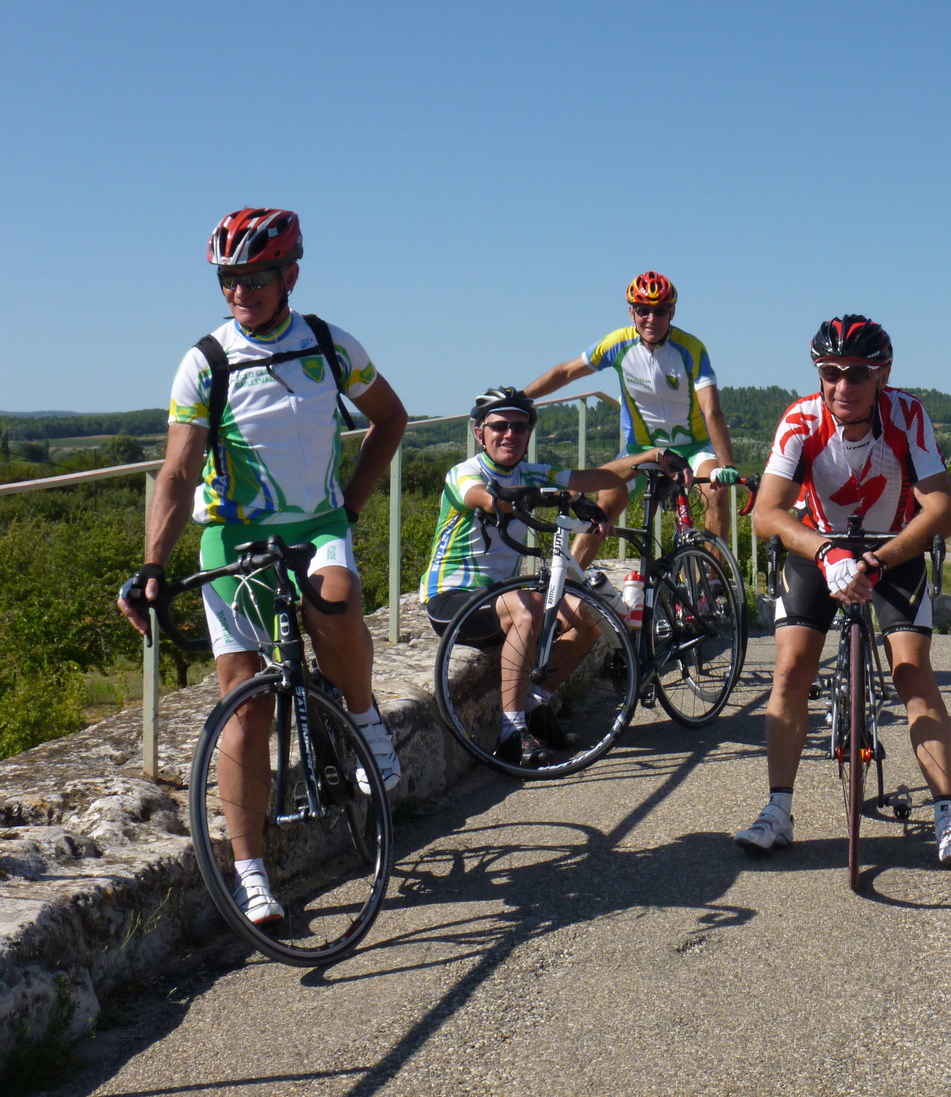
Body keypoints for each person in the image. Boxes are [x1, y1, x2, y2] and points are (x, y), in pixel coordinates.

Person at [117, 207, 408, 927]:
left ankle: (366, 719)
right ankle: (252, 874)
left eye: (254, 277)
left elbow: (391, 418)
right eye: (228, 279)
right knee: (245, 707)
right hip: (235, 537)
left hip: (318, 525)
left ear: (289, 276)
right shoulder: (205, 362)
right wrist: (154, 562)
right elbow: (179, 472)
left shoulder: (329, 344)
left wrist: (353, 504)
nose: (240, 291)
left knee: (336, 602)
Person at [737, 315, 951, 867]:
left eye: (857, 373)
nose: (843, 385)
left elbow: (943, 512)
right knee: (793, 666)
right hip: (821, 548)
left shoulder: (907, 415)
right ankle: (778, 808)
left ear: (883, 373)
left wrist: (877, 558)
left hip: (894, 546)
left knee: (912, 673)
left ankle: (947, 812)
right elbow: (766, 515)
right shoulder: (801, 419)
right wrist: (825, 552)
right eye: (830, 372)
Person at [420, 387, 687, 767]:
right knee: (528, 611)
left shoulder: (532, 471)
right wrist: (525, 499)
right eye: (499, 426)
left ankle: (536, 704)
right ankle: (511, 733)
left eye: (519, 426)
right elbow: (482, 497)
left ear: (529, 433)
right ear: (480, 432)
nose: (509, 434)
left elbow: (597, 477)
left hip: (502, 597)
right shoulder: (466, 472)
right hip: (454, 599)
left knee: (587, 617)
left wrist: (650, 457)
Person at [525, 272, 739, 577]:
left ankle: (710, 582)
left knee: (716, 492)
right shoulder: (618, 343)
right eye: (643, 310)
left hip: (694, 447)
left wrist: (726, 463)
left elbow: (712, 410)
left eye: (661, 311)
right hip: (642, 449)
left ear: (672, 312)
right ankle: (569, 581)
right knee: (606, 500)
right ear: (631, 312)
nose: (651, 319)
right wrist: (521, 398)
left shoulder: (690, 347)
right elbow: (565, 372)